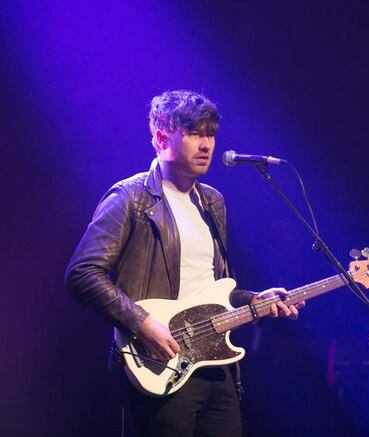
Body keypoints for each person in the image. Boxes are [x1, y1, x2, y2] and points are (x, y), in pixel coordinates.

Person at [65, 90, 303, 437]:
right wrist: (142, 323)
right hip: (161, 363)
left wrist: (253, 300)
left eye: (210, 133)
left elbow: (215, 286)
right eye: (194, 133)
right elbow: (82, 274)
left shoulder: (212, 202)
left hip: (215, 365)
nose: (207, 144)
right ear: (162, 138)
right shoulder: (130, 198)